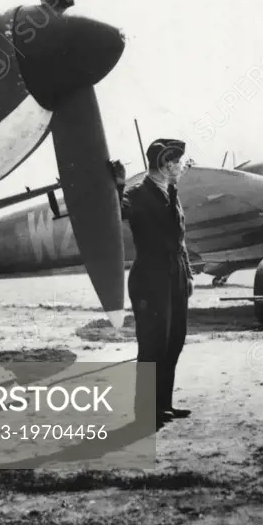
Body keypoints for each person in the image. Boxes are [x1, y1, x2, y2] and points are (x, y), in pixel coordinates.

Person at [110, 138, 193, 430]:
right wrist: (117, 185)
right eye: (179, 162)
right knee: (153, 344)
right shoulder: (137, 194)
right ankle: (146, 410)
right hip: (151, 278)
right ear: (167, 164)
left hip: (176, 275)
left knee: (174, 341)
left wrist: (189, 274)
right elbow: (116, 211)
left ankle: (163, 404)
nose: (183, 166)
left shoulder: (171, 191)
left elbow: (179, 240)